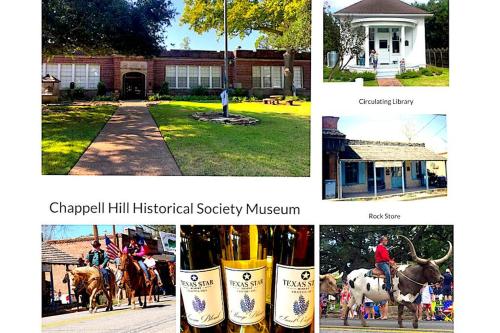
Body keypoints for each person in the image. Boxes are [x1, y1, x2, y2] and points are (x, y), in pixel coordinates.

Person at [375, 236, 395, 301]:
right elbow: (384, 257)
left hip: (385, 262)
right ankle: (388, 288)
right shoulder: (380, 247)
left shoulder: (383, 247)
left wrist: (390, 261)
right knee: (388, 273)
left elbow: (386, 257)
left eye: (387, 240)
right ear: (382, 241)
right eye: (385, 240)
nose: (387, 241)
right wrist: (390, 261)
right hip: (381, 263)